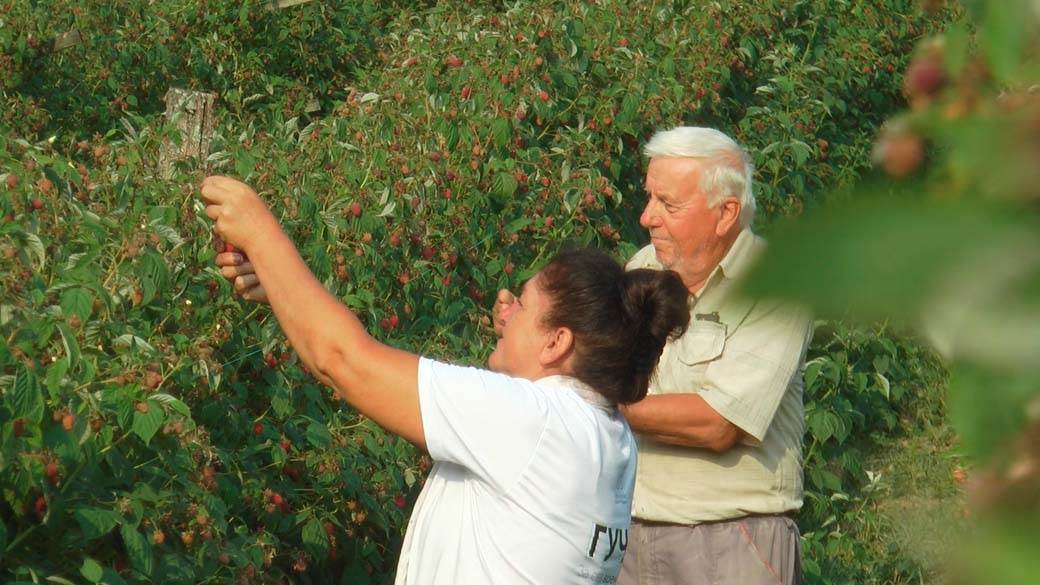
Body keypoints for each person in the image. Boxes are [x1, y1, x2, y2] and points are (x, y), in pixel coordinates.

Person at [199, 175, 691, 585]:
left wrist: (261, 231)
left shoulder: (534, 424)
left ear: (556, 343)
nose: (507, 310)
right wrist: (283, 288)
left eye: (523, 302)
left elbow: (343, 359)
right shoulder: (604, 434)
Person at [494, 126, 813, 585]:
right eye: (650, 198)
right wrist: (525, 332)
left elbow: (719, 424)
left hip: (729, 541)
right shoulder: (643, 266)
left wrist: (588, 396)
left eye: (669, 204)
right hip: (626, 537)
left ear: (726, 214)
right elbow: (578, 357)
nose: (647, 217)